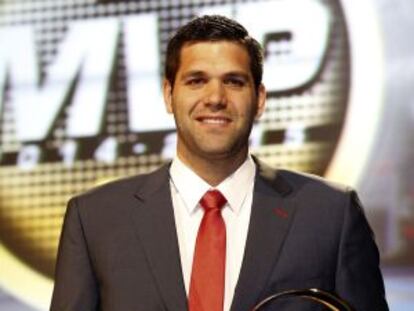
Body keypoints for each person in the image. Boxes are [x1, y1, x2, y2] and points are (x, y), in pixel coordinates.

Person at [50, 15, 389, 311]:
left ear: (259, 99)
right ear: (169, 95)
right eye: (196, 80)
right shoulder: (95, 219)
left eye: (234, 81)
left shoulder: (330, 214)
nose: (215, 98)